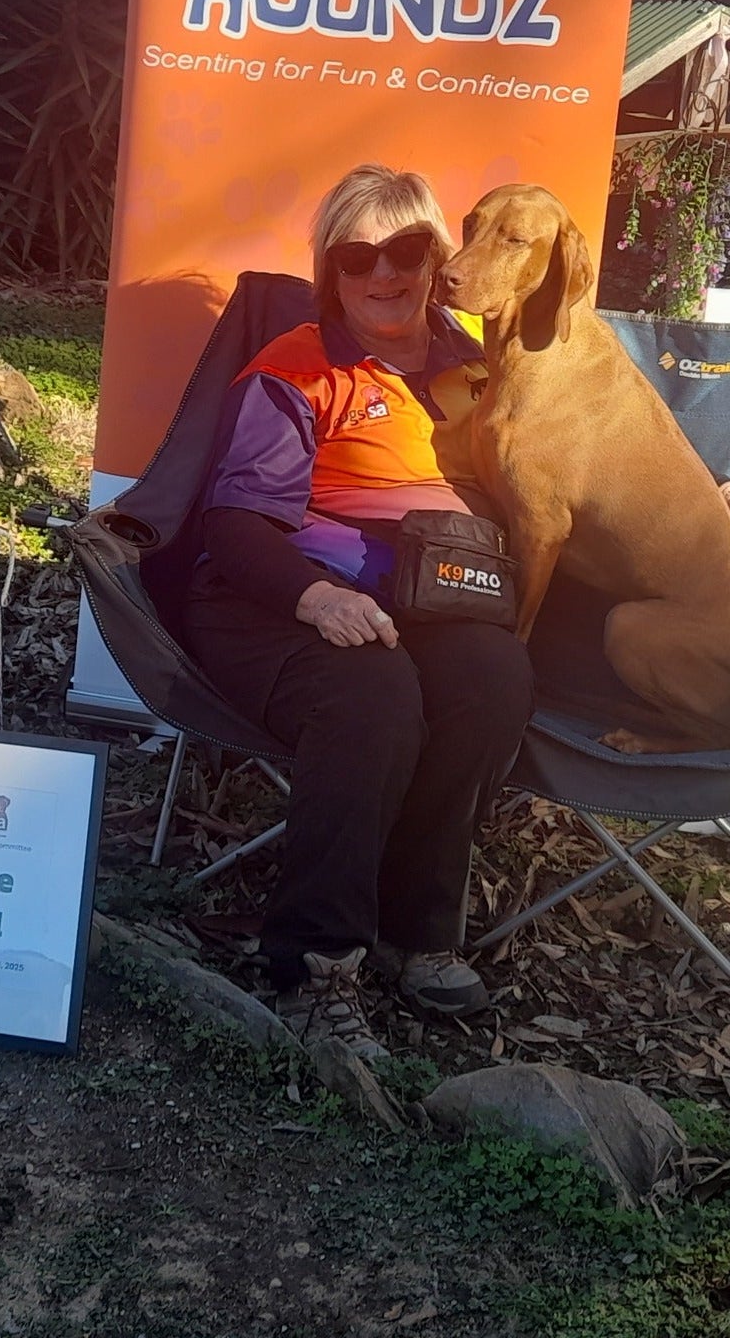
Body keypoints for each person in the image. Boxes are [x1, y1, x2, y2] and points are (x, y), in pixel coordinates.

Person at [183, 163, 535, 1060]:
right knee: (370, 694)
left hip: (438, 594)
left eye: (407, 249)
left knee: (491, 679)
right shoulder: (298, 368)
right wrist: (317, 596)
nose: (385, 274)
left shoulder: (483, 363)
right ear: (329, 272)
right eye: (357, 256)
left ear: (437, 257)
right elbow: (233, 522)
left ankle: (414, 929)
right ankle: (314, 963)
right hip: (279, 596)